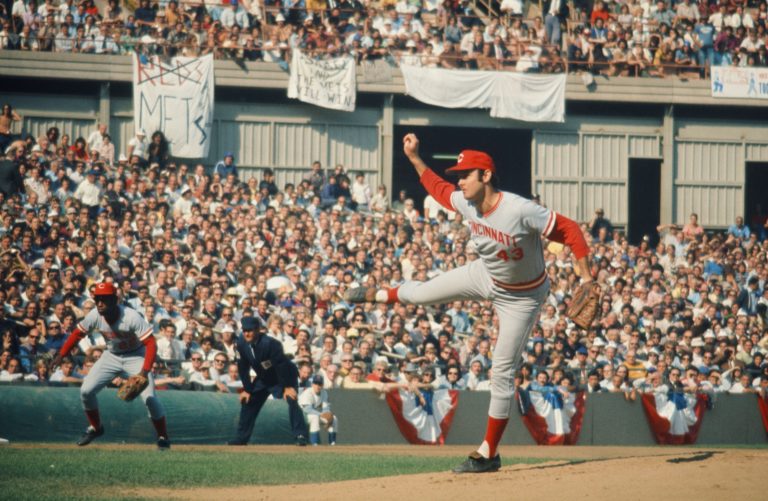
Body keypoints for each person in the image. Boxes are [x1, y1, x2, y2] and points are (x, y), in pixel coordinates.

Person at [345, 133, 591, 473]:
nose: (459, 181)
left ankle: (489, 452)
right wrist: (415, 158)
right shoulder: (465, 201)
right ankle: (377, 294)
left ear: (486, 176)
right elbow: (438, 189)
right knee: (421, 293)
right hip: (486, 275)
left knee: (502, 369)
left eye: (465, 174)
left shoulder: (519, 209)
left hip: (522, 296)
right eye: (458, 175)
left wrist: (587, 277)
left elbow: (570, 229)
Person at [50, 282, 170, 449]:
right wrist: (62, 354)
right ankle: (96, 428)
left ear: (115, 300)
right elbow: (77, 334)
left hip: (136, 355)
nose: (99, 303)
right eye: (97, 299)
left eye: (104, 299)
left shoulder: (131, 316)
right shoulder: (94, 315)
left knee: (150, 398)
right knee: (86, 390)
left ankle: (163, 437)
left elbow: (151, 343)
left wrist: (144, 371)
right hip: (111, 356)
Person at [228, 316, 308, 446]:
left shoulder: (271, 344)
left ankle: (300, 435)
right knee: (248, 402)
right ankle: (241, 438)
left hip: (284, 375)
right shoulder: (240, 344)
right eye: (245, 330)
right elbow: (243, 368)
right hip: (264, 377)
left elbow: (281, 366)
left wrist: (287, 387)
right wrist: (247, 390)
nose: (247, 333)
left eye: (250, 330)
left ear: (258, 330)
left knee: (291, 399)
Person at [298, 374, 338, 445]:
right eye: (316, 383)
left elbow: (326, 408)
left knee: (334, 418)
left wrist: (328, 415)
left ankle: (332, 443)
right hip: (301, 416)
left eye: (319, 383)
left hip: (314, 414)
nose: (317, 385)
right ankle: (314, 443)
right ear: (312, 384)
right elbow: (307, 409)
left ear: (322, 385)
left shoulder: (324, 393)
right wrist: (321, 414)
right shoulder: (308, 392)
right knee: (315, 417)